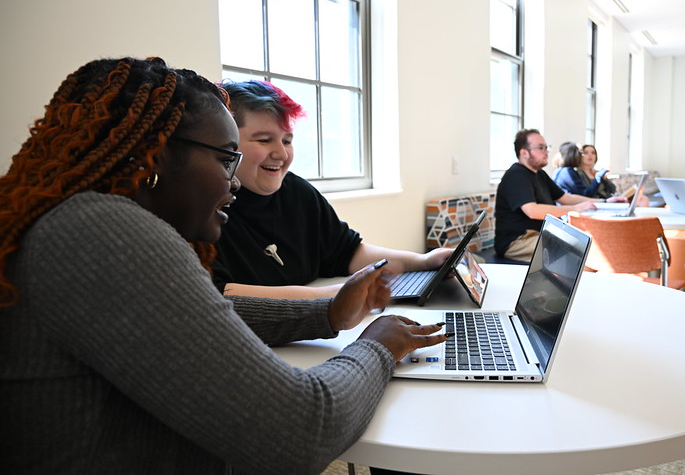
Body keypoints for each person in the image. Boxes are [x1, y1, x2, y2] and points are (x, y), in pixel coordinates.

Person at [0, 57, 447, 474]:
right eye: (223, 158)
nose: (233, 182)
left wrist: (327, 313)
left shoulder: (75, 223)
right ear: (153, 155)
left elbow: (194, 315)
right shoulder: (102, 232)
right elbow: (301, 431)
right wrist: (378, 345)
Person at [212, 80, 452, 299]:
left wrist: (423, 261)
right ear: (226, 143)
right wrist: (336, 296)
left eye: (287, 141)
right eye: (264, 140)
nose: (281, 154)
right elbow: (220, 292)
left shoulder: (298, 193)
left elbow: (347, 253)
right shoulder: (206, 209)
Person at [494, 129, 613, 262]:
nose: (547, 151)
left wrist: (604, 202)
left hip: (541, 235)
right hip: (518, 241)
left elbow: (566, 198)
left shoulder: (540, 174)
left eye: (546, 147)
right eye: (541, 148)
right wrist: (576, 208)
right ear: (524, 153)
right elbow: (532, 211)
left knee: (592, 247)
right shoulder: (516, 175)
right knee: (582, 258)